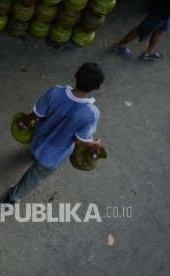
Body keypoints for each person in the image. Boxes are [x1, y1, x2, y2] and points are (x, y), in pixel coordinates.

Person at [7, 62, 104, 203]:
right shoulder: (91, 113)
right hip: (53, 157)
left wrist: (24, 121)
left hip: (38, 140)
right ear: (97, 87)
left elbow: (37, 114)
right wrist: (94, 144)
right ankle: (13, 198)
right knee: (34, 177)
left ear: (76, 74)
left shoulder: (56, 92)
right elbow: (79, 140)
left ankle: (34, 156)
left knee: (35, 154)